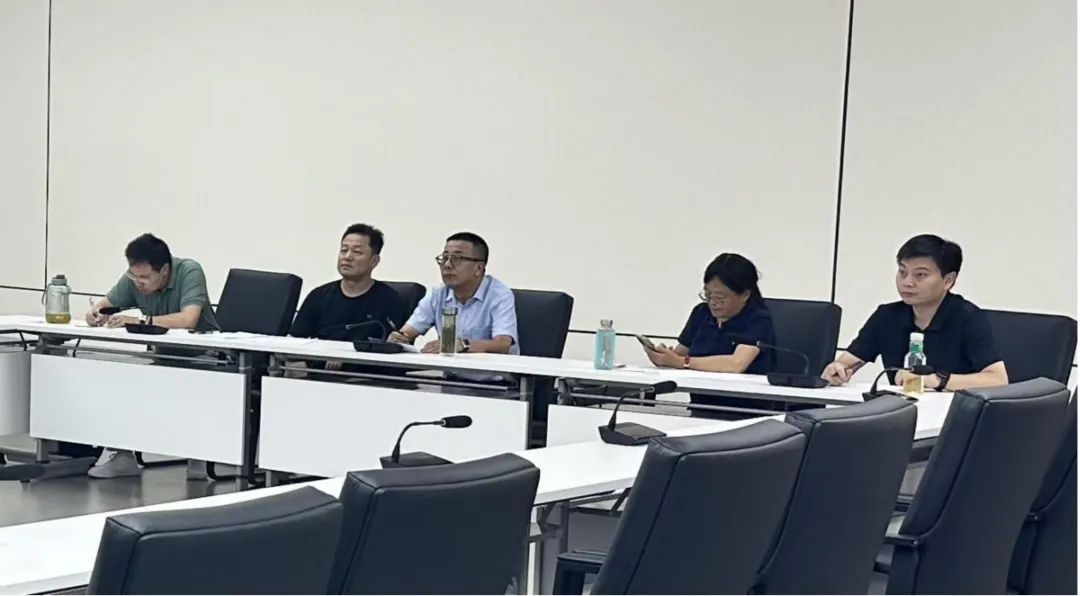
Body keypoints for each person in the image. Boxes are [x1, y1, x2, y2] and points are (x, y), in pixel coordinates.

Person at [83, 233, 219, 480]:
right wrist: (95, 314)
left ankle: (198, 451)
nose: (138, 283)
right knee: (116, 377)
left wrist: (142, 320)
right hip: (161, 356)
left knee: (184, 386)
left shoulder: (189, 271)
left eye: (145, 277)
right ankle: (122, 455)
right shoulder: (135, 278)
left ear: (164, 270)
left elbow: (189, 319)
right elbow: (104, 304)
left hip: (205, 358)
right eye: (134, 276)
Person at [822, 234, 1008, 391]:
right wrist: (837, 369)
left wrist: (936, 380)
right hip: (901, 412)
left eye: (920, 275)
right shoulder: (887, 316)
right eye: (903, 272)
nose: (907, 282)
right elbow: (848, 362)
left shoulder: (968, 318)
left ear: (948, 280)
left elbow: (998, 379)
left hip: (954, 413)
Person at [641, 253, 777, 418]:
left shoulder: (758, 318)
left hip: (745, 413)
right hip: (700, 408)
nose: (713, 302)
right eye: (708, 294)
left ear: (745, 295)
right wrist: (664, 357)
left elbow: (736, 364)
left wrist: (681, 362)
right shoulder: (701, 313)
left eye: (720, 297)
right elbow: (680, 355)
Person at [287, 223, 408, 377]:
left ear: (374, 261)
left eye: (357, 252)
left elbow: (394, 350)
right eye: (344, 250)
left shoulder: (389, 300)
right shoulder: (319, 295)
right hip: (319, 372)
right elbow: (294, 342)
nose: (347, 257)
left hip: (367, 379)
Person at [388, 232, 518, 356]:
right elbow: (408, 332)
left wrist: (462, 345)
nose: (447, 265)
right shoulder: (438, 294)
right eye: (444, 258)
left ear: (479, 268)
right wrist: (398, 338)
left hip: (491, 371)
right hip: (449, 371)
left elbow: (503, 344)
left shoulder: (499, 295)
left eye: (457, 259)